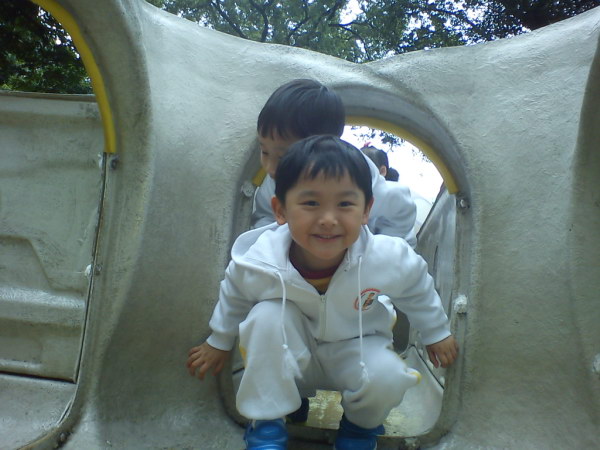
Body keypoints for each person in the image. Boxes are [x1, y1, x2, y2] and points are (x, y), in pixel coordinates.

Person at [187, 136, 458, 450]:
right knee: (265, 316)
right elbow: (234, 292)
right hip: (289, 356)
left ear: (366, 210)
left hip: (356, 349)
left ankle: (358, 429)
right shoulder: (260, 260)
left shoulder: (385, 257)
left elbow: (416, 286)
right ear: (280, 210)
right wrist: (219, 340)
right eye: (311, 203)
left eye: (345, 204)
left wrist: (436, 331)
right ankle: (268, 426)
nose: (328, 220)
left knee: (390, 376)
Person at [251, 79, 418, 248]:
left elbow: (401, 207)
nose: (270, 168)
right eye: (265, 152)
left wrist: (379, 249)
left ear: (326, 145)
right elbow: (265, 217)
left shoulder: (357, 177)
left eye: (282, 157)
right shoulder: (273, 181)